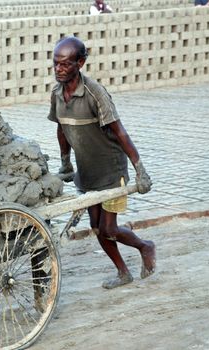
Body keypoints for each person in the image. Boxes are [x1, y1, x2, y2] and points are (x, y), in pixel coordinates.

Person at [48, 36, 156, 289]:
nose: (59, 69)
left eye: (65, 64)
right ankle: (123, 273)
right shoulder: (56, 94)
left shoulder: (94, 94)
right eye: (55, 64)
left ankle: (145, 246)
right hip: (87, 173)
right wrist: (66, 163)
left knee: (109, 228)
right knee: (97, 227)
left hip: (111, 170)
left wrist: (140, 170)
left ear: (81, 63)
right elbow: (62, 130)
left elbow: (121, 132)